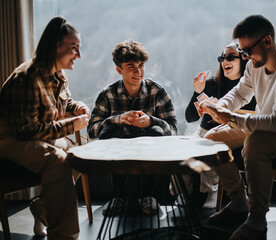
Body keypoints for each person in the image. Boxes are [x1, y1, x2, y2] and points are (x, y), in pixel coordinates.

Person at [198, 15, 276, 240]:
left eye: (247, 51)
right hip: (268, 125)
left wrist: (231, 118)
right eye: (242, 51)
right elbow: (240, 92)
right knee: (211, 139)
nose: (245, 57)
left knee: (255, 143)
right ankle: (238, 202)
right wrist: (221, 106)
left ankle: (257, 221)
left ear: (267, 41)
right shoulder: (255, 64)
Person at [0, 16, 90, 240]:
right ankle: (64, 235)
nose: (79, 55)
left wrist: (78, 108)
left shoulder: (58, 74)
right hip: (9, 139)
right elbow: (26, 131)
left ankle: (43, 208)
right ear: (55, 47)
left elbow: (65, 104)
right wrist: (71, 124)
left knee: (83, 152)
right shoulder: (26, 78)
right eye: (74, 48)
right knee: (57, 160)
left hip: (34, 135)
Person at [88, 40, 177, 215]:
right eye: (131, 67)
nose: (138, 72)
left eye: (141, 65)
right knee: (108, 132)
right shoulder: (108, 94)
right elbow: (92, 131)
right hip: (119, 149)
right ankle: (119, 195)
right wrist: (117, 120)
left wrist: (151, 121)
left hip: (149, 149)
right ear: (119, 70)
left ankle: (148, 196)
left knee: (157, 131)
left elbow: (173, 130)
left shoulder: (157, 91)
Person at [181, 42, 248, 209]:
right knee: (182, 148)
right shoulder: (212, 84)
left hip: (231, 130)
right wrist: (198, 92)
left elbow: (250, 116)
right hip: (203, 130)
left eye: (231, 57)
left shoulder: (248, 87)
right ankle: (183, 190)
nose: (225, 61)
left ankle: (213, 191)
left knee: (210, 144)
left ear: (243, 60)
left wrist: (220, 110)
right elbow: (189, 117)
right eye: (222, 57)